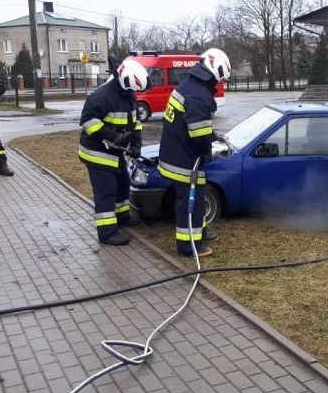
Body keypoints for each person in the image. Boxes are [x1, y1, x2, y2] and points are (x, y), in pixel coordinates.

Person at [158, 48, 231, 258]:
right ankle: (188, 246)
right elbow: (198, 136)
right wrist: (208, 151)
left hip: (175, 152)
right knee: (190, 202)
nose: (220, 82)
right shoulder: (198, 95)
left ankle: (201, 232)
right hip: (184, 160)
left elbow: (197, 127)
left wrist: (213, 135)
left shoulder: (190, 85)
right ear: (215, 70)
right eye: (221, 77)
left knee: (196, 199)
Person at [78, 57, 147, 245]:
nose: (135, 92)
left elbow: (135, 124)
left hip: (115, 153)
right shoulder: (101, 96)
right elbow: (88, 123)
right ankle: (107, 232)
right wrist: (112, 136)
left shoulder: (128, 95)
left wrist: (136, 146)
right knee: (106, 192)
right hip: (96, 153)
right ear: (125, 80)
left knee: (123, 185)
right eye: (133, 88)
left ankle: (123, 217)